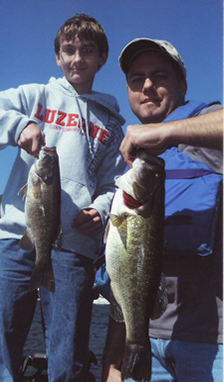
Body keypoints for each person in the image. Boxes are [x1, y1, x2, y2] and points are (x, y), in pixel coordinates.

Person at [0, 14, 126, 382]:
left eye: (87, 51)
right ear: (57, 57)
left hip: (74, 248)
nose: (77, 59)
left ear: (102, 57)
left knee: (68, 352)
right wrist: (18, 125)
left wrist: (101, 210)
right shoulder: (35, 96)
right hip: (16, 239)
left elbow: (114, 184)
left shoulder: (111, 123)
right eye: (68, 50)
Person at [101, 38, 223, 382]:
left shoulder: (206, 128)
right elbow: (125, 269)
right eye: (137, 79)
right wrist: (114, 356)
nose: (148, 86)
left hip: (211, 348)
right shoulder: (130, 160)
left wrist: (167, 131)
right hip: (142, 345)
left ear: (182, 85)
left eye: (159, 75)